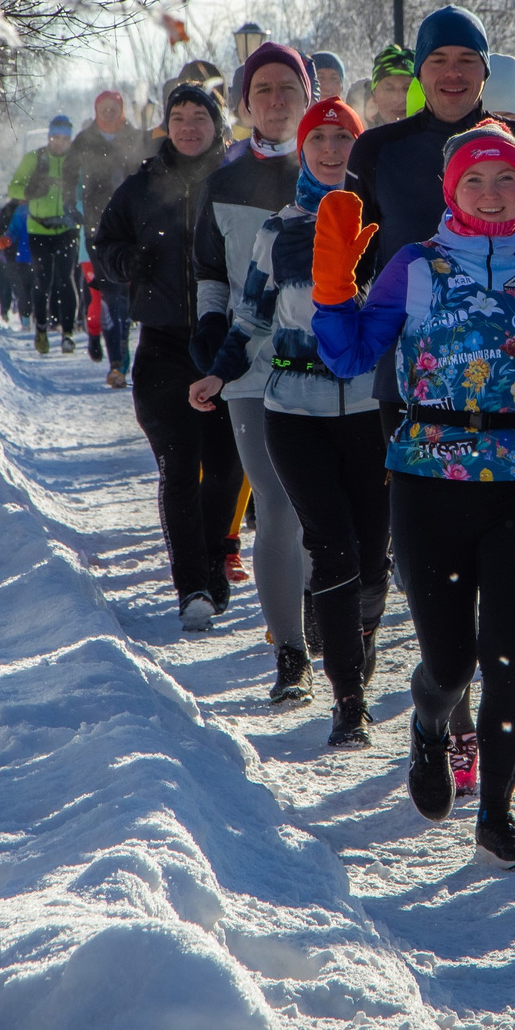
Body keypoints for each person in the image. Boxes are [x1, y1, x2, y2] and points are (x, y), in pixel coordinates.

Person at [313, 121, 515, 870]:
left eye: (506, 180)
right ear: (452, 190)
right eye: (475, 180)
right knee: (449, 662)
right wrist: (330, 286)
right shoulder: (414, 266)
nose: (490, 193)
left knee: (506, 655)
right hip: (426, 480)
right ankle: (429, 724)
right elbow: (350, 353)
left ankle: (498, 817)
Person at [348, 7, 515, 764]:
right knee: (439, 568)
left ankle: (500, 701)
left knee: (511, 558)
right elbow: (351, 243)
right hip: (416, 384)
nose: (452, 72)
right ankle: (453, 721)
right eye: (438, 60)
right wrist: (375, 304)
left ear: (485, 70)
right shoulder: (381, 148)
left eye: (467, 58)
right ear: (417, 72)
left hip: (511, 394)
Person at [199, 97, 388, 748]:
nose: (332, 149)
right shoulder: (278, 231)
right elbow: (249, 317)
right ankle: (348, 699)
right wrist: (219, 374)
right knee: (330, 545)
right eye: (320, 138)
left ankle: (352, 634)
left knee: (372, 559)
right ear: (302, 149)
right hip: (293, 410)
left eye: (344, 137)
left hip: (370, 411)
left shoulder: (383, 227)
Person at [190, 40, 318, 700]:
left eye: (287, 88)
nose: (275, 100)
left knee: (322, 503)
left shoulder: (334, 169)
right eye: (262, 89)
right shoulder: (221, 182)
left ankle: (319, 604)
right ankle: (289, 652)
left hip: (328, 364)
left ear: (308, 95)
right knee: (273, 499)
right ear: (244, 102)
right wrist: (212, 337)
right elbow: (210, 274)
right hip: (248, 363)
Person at [97, 83, 240, 628]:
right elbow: (103, 247)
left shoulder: (235, 181)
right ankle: (193, 586)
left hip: (226, 343)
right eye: (178, 116)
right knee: (180, 464)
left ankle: (212, 561)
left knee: (227, 466)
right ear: (166, 125)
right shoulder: (140, 187)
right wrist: (126, 261)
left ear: (216, 124)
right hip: (161, 347)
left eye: (198, 116)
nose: (187, 126)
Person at [71, 90, 148, 388]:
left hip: (130, 225)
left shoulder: (134, 138)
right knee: (110, 293)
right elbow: (67, 176)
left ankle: (122, 355)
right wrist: (69, 205)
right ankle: (117, 361)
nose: (108, 113)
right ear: (96, 110)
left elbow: (149, 172)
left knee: (125, 295)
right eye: (103, 108)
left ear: (121, 110)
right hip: (96, 226)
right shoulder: (84, 140)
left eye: (113, 108)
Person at [9, 114, 84, 353]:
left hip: (67, 228)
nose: (59, 142)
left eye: (64, 138)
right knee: (43, 280)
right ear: (49, 137)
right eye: (55, 137)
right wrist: (33, 190)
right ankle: (41, 328)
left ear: (70, 140)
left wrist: (82, 209)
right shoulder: (35, 158)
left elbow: (88, 188)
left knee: (66, 279)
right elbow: (14, 187)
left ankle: (68, 333)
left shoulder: (76, 161)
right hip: (38, 228)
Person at [366, 45, 413, 129]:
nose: (399, 99)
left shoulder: (438, 138)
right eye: (389, 89)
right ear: (374, 96)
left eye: (407, 89)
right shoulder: (361, 139)